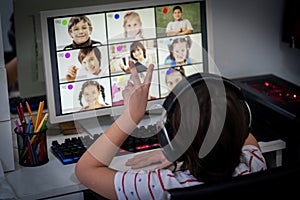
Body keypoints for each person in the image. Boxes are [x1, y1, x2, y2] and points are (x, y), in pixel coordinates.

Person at [75, 63, 267, 199]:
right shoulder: (255, 163)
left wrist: (131, 116)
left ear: (168, 137)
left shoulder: (157, 187)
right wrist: (182, 148)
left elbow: (85, 170)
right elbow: (236, 131)